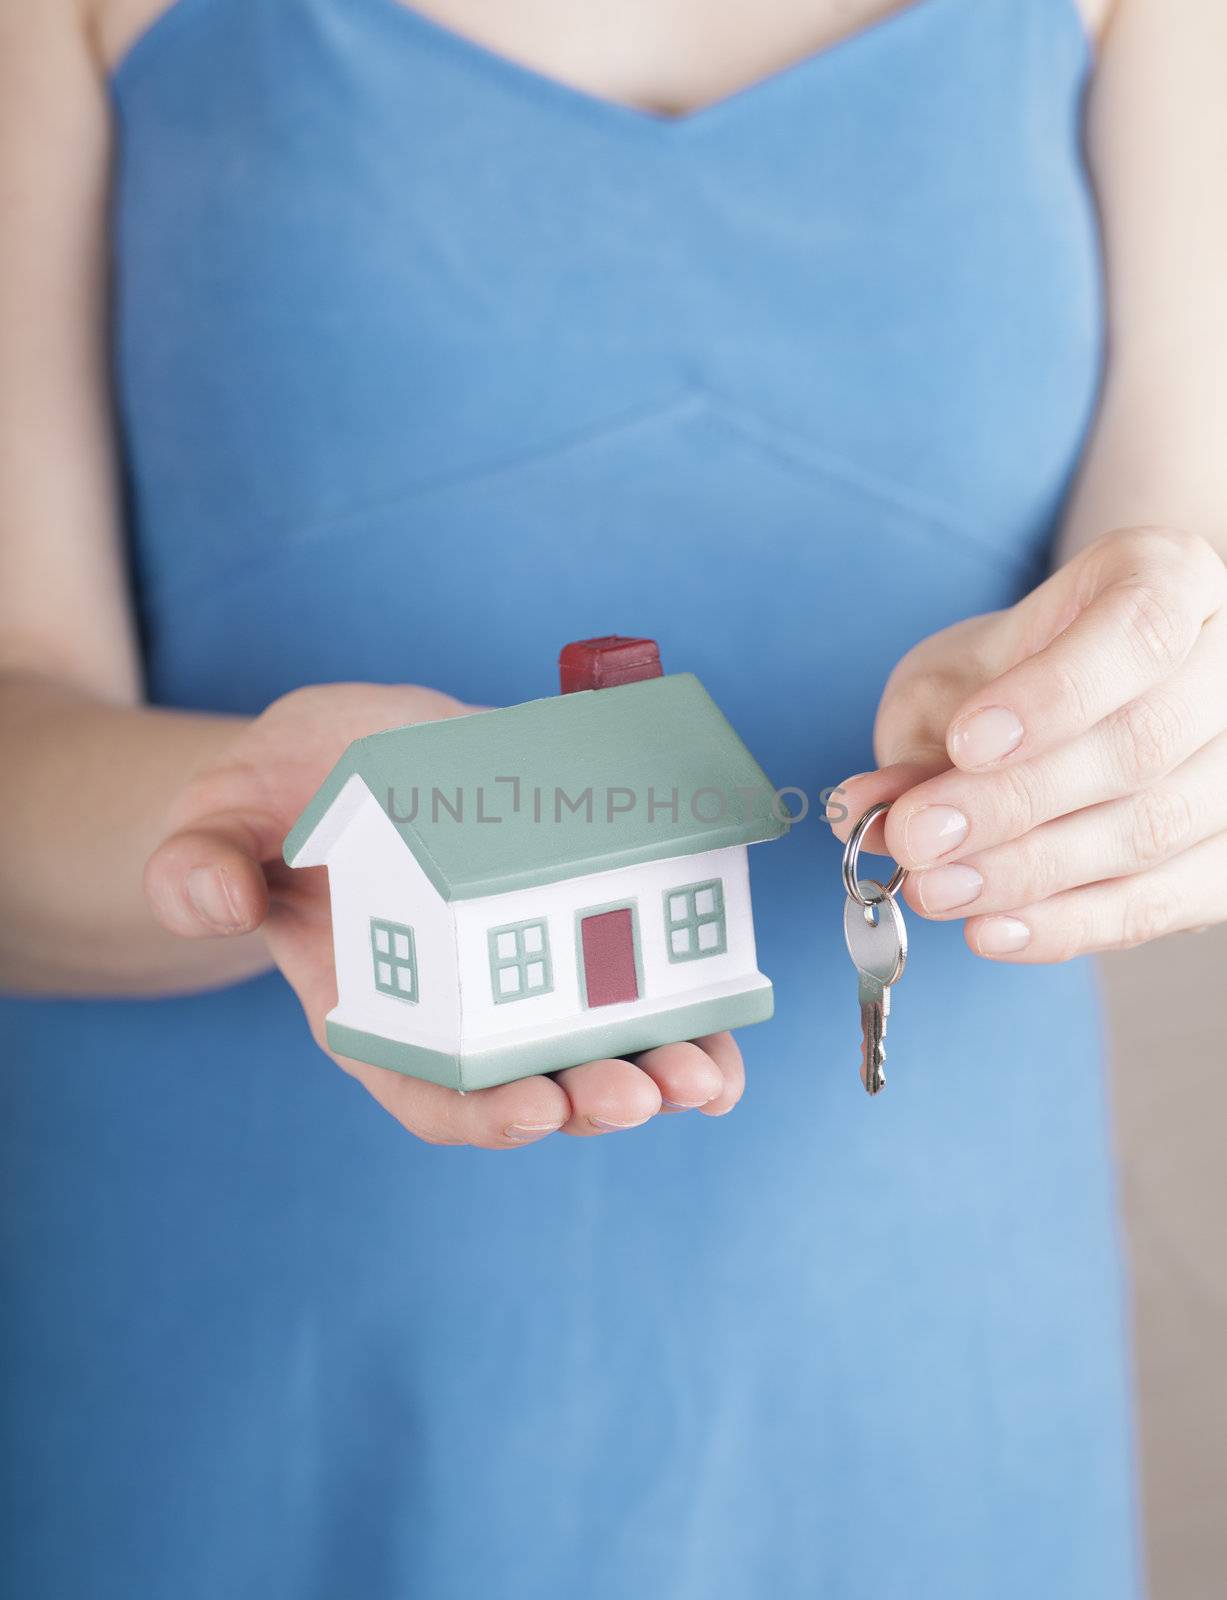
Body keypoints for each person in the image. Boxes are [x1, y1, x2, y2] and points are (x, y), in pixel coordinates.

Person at [2, 0, 1223, 1593]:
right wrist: (246, 821)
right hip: (230, 1345)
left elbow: (1189, 568)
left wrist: (1147, 721)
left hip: (918, 1343)